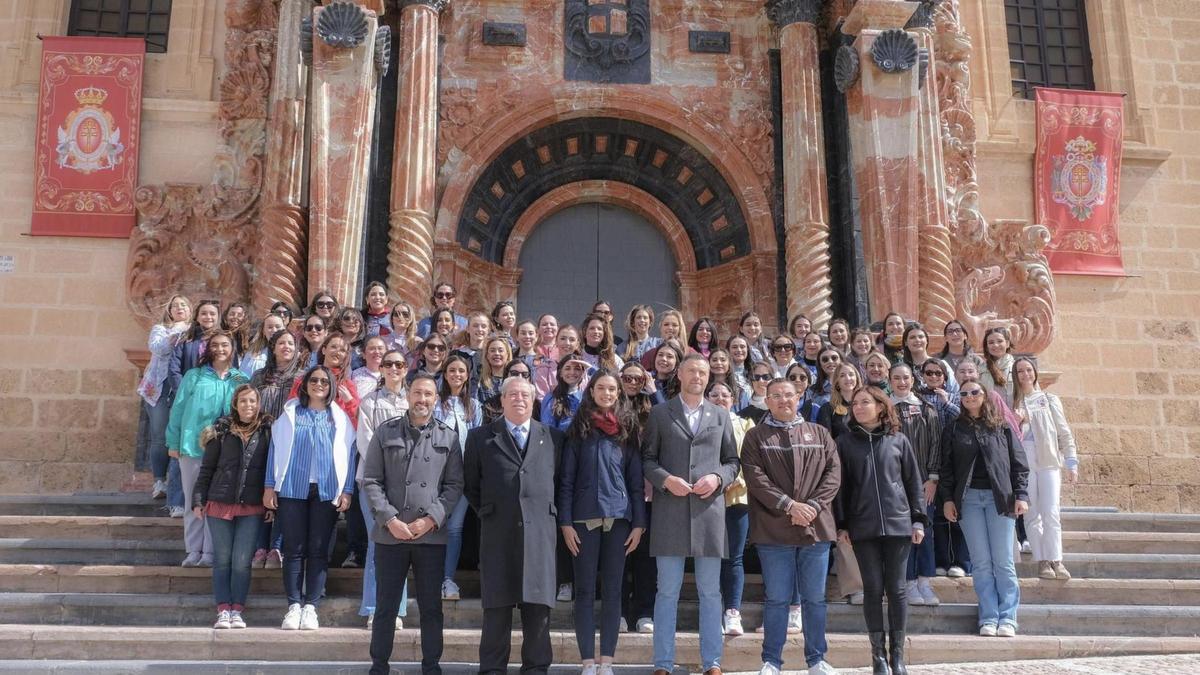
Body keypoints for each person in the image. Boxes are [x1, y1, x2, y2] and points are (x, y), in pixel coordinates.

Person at [642, 354, 740, 675]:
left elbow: (732, 462)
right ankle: (662, 663)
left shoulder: (720, 415)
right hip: (670, 511)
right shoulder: (660, 413)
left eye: (703, 372)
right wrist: (666, 480)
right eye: (692, 371)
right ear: (680, 375)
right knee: (666, 591)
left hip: (708, 512)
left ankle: (712, 662)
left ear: (709, 377)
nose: (697, 376)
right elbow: (648, 459)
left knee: (710, 592)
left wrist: (718, 478)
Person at [361, 373, 464, 675]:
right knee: (385, 608)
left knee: (432, 608)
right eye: (417, 393)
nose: (422, 399)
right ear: (408, 395)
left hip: (429, 537)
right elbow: (371, 481)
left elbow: (454, 486)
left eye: (428, 394)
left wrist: (431, 519)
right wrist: (389, 519)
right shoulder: (385, 432)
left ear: (435, 399)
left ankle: (431, 666)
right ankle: (379, 666)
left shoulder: (449, 436)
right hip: (390, 535)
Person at [741, 377, 841, 675]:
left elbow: (833, 474)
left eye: (788, 395)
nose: (783, 400)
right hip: (774, 529)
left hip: (815, 527)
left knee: (814, 598)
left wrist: (811, 506)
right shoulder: (756, 436)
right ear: (767, 400)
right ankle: (771, 661)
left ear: (799, 396)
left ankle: (816, 659)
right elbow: (755, 477)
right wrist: (788, 505)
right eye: (776, 396)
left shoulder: (819, 433)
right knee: (778, 599)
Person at [464, 376, 564, 674]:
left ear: (533, 400)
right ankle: (493, 669)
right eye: (512, 394)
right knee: (496, 609)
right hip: (498, 533)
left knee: (538, 611)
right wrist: (491, 510)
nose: (519, 399)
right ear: (502, 400)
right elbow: (472, 485)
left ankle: (536, 668)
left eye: (525, 394)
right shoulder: (480, 437)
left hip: (540, 536)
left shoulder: (554, 438)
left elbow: (560, 484)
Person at [558, 372, 647, 675]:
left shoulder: (627, 431)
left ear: (619, 393)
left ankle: (606, 661)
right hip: (583, 522)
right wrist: (566, 523)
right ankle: (587, 662)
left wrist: (639, 524)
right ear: (591, 391)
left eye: (612, 388)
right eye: (601, 388)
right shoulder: (578, 431)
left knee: (613, 590)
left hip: (619, 521)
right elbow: (566, 481)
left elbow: (635, 483)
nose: (607, 393)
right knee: (584, 592)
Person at [836, 386, 927, 675]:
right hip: (863, 526)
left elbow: (913, 482)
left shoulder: (898, 440)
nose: (859, 407)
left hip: (899, 524)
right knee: (873, 589)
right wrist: (842, 525)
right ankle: (878, 657)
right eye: (855, 404)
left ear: (880, 406)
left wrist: (918, 519)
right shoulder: (845, 443)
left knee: (897, 590)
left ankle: (897, 656)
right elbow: (840, 489)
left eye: (866, 402)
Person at [264, 365, 357, 631]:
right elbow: (275, 449)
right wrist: (270, 485)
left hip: (326, 490)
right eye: (314, 380)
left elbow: (349, 456)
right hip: (293, 486)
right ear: (305, 384)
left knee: (318, 550)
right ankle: (294, 605)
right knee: (293, 550)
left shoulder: (338, 417)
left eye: (324, 381)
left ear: (331, 387)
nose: (319, 384)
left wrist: (347, 490)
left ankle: (311, 606)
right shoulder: (290, 413)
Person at [940, 379, 1029, 638]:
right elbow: (947, 469)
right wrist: (947, 499)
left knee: (1003, 561)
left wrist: (1021, 494)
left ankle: (1008, 618)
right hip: (968, 500)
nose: (969, 396)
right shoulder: (954, 429)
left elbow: (1018, 463)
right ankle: (988, 616)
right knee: (980, 563)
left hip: (1000, 499)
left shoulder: (1001, 426)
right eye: (964, 393)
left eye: (975, 392)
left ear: (984, 395)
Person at [192, 384, 272, 630]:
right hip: (220, 503)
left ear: (259, 404)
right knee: (223, 559)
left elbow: (272, 470)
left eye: (252, 401)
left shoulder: (268, 432)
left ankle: (237, 609)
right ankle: (223, 609)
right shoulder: (221, 432)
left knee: (241, 560)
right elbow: (207, 469)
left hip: (252, 506)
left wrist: (271, 501)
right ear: (235, 405)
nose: (249, 406)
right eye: (243, 401)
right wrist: (198, 499)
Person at [167, 330, 249, 567]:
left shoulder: (240, 379)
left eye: (225, 345)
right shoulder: (194, 376)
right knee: (194, 499)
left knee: (217, 503)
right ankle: (193, 550)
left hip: (226, 450)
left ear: (232, 349)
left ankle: (211, 552)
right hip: (193, 446)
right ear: (208, 349)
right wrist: (173, 442)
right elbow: (178, 410)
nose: (221, 349)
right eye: (216, 345)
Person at [356, 349, 411, 628]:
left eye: (398, 364)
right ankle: (374, 606)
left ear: (406, 368)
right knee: (377, 542)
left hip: (405, 485)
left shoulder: (413, 401)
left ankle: (396, 608)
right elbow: (365, 444)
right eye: (388, 364)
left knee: (400, 544)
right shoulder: (369, 402)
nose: (393, 369)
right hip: (374, 483)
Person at [1011, 356, 1078, 580]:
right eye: (1020, 371)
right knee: (1032, 514)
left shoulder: (1049, 399)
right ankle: (1042, 561)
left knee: (1051, 511)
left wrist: (1071, 461)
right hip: (1024, 462)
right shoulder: (1012, 403)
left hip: (1048, 460)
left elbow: (1063, 431)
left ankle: (1056, 559)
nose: (1025, 375)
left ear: (1035, 372)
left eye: (1028, 370)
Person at [889, 363, 943, 608]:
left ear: (913, 380)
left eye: (906, 378)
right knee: (903, 534)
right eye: (896, 378)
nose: (901, 382)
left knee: (925, 531)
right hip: (894, 484)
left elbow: (935, 444)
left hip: (922, 483)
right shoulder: (884, 409)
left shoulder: (926, 409)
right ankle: (908, 582)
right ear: (890, 381)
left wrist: (932, 479)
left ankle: (924, 581)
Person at [249, 329, 304, 568]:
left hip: (288, 441)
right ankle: (261, 546)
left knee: (284, 493)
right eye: (281, 343)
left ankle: (277, 547)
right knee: (263, 490)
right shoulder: (260, 376)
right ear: (273, 348)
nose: (286, 347)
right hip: (261, 437)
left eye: (291, 343)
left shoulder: (302, 377)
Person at [704, 381, 755, 637]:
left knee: (733, 557)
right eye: (714, 394)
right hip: (706, 499)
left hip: (737, 498)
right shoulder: (699, 422)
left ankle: (732, 611)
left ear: (733, 400)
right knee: (710, 557)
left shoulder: (745, 424)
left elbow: (752, 459)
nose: (720, 398)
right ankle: (711, 610)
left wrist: (737, 480)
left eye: (725, 394)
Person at [814, 363, 866, 604]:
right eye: (842, 375)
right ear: (835, 381)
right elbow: (825, 441)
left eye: (851, 374)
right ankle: (855, 587)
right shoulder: (829, 409)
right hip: (840, 474)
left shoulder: (867, 404)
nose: (847, 378)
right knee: (843, 528)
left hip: (866, 471)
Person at [434, 355, 484, 600]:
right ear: (444, 374)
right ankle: (430, 576)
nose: (456, 375)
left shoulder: (474, 406)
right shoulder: (435, 403)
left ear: (467, 375)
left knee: (455, 529)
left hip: (463, 476)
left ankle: (447, 579)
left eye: (461, 371)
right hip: (435, 476)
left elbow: (475, 443)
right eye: (451, 370)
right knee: (435, 525)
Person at [137, 294, 191, 504]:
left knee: (178, 435)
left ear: (190, 310)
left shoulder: (193, 331)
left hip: (182, 387)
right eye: (175, 306)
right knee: (159, 436)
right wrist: (180, 330)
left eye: (183, 305)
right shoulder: (161, 330)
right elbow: (159, 348)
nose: (179, 308)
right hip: (159, 388)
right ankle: (159, 480)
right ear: (169, 311)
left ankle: (178, 484)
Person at [616, 361, 657, 634]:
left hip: (648, 492)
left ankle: (645, 612)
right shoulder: (611, 408)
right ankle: (617, 612)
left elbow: (671, 420)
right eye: (628, 378)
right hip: (618, 492)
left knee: (645, 557)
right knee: (618, 556)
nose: (632, 383)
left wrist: (653, 391)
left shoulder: (652, 411)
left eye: (638, 379)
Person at [541, 352, 588, 432]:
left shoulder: (586, 399)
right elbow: (547, 430)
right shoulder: (551, 398)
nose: (572, 372)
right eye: (567, 368)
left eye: (577, 369)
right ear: (560, 373)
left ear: (583, 373)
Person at [239, 313, 287, 377]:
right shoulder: (252, 353)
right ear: (264, 331)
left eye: (278, 327)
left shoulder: (292, 352)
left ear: (284, 329)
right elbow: (240, 376)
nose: (274, 330)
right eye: (270, 327)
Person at [981, 327, 1016, 405]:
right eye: (991, 342)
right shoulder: (981, 370)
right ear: (986, 347)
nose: (995, 345)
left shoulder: (1018, 368)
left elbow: (1031, 395)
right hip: (989, 415)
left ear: (1007, 343)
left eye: (1000, 341)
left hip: (1014, 415)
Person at [475, 335, 514, 405]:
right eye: (492, 350)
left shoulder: (514, 381)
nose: (496, 353)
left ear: (507, 355)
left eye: (500, 350)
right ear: (487, 355)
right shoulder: (479, 380)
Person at [740, 360, 774, 425]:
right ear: (751, 382)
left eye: (766, 377)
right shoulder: (742, 416)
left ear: (772, 379)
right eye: (756, 377)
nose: (761, 381)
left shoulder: (781, 407)